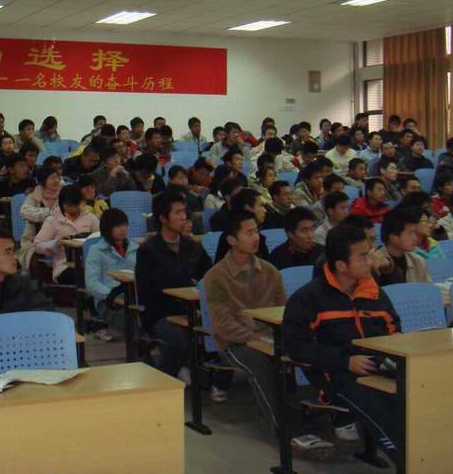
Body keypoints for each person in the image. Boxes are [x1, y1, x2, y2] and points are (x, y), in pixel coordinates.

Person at [204, 214, 334, 455]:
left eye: (257, 232)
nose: (256, 237)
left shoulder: (270, 271)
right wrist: (255, 339)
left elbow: (284, 312)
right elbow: (222, 324)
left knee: (307, 354)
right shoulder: (216, 276)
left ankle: (325, 418)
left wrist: (279, 338)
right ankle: (289, 434)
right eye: (249, 233)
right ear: (232, 239)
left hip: (271, 337)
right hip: (236, 343)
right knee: (261, 365)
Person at [283, 225, 403, 463]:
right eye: (363, 256)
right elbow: (295, 347)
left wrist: (390, 357)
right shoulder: (308, 298)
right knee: (383, 411)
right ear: (341, 265)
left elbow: (394, 331)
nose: (370, 261)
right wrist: (345, 361)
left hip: (377, 366)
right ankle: (411, 460)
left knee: (418, 392)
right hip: (335, 374)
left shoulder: (373, 292)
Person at [135, 190, 213, 383]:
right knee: (180, 341)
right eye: (177, 213)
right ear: (163, 218)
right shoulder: (148, 251)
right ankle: (163, 382)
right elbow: (146, 293)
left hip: (193, 310)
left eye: (184, 212)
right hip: (161, 314)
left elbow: (210, 275)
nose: (183, 217)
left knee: (220, 332)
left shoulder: (192, 246)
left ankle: (213, 381)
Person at [0, 226, 53, 315]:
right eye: (7, 252)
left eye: (13, 251)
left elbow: (45, 309)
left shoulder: (20, 283)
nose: (15, 257)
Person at [84, 208, 139, 335]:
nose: (123, 229)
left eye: (125, 225)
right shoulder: (96, 251)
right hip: (106, 300)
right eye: (118, 226)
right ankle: (137, 345)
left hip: (134, 296)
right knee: (130, 321)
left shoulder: (135, 247)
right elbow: (91, 283)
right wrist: (113, 295)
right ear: (107, 228)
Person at [34, 185, 99, 281]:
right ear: (61, 203)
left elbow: (101, 237)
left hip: (90, 262)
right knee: (85, 276)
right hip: (64, 265)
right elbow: (38, 245)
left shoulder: (89, 217)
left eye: (75, 205)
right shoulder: (52, 220)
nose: (72, 209)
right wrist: (56, 242)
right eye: (68, 205)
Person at [372, 208, 432, 285]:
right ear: (393, 236)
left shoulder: (418, 260)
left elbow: (427, 290)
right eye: (410, 233)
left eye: (415, 233)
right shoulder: (375, 262)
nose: (415, 238)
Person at [17, 166, 61, 270]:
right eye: (52, 178)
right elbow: (24, 211)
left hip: (59, 236)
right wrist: (49, 213)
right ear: (42, 182)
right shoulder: (34, 195)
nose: (56, 181)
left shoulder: (63, 193)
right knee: (35, 258)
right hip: (34, 239)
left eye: (57, 177)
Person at [213, 189, 269, 263]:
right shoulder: (229, 236)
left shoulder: (259, 236)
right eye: (261, 205)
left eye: (255, 232)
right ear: (248, 208)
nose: (265, 210)